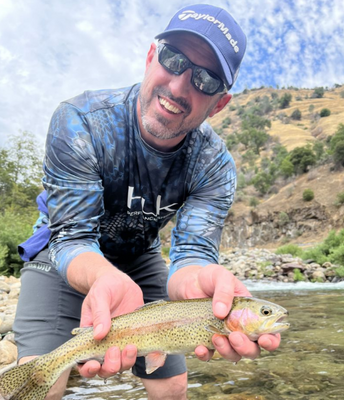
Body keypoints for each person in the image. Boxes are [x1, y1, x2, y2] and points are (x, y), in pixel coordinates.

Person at [14, 4, 281, 400]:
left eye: (205, 80)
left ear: (219, 104)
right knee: (39, 386)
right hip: (63, 251)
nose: (178, 87)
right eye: (174, 60)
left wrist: (197, 279)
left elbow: (191, 255)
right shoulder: (80, 121)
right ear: (151, 56)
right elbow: (72, 237)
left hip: (141, 258)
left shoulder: (215, 166)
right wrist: (104, 277)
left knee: (172, 387)